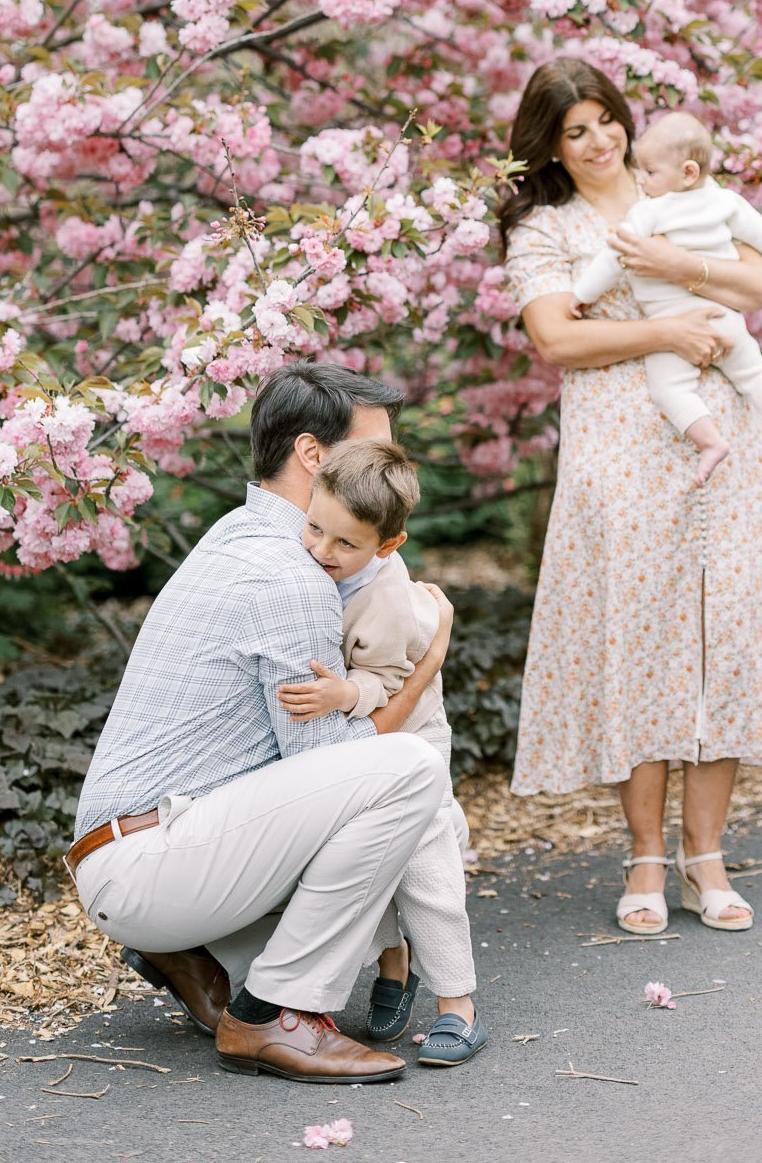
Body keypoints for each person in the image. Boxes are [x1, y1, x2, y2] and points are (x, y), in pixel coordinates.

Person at [500, 59, 762, 937]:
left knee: (719, 632)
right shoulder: (546, 226)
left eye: (605, 119)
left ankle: (707, 856)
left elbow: (758, 285)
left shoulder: (681, 189)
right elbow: (554, 338)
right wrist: (665, 327)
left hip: (719, 436)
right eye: (575, 130)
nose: (599, 140)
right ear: (551, 144)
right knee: (642, 636)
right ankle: (645, 858)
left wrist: (675, 266)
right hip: (618, 445)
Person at [69, 362, 454, 1085]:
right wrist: (426, 662)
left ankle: (209, 959)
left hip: (137, 845)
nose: (387, 467)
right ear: (314, 455)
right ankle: (277, 1013)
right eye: (374, 450)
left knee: (382, 783)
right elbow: (326, 762)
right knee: (411, 769)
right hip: (152, 862)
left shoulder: (238, 534)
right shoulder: (293, 577)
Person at [278, 438, 488, 1068]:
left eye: (347, 544)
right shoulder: (307, 556)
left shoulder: (390, 598)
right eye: (315, 529)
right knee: (363, 859)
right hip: (360, 740)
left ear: (388, 546)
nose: (323, 551)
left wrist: (347, 691)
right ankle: (393, 967)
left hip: (412, 738)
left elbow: (393, 682)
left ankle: (460, 1006)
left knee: (425, 869)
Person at [572, 110, 762, 485]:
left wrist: (582, 294)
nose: (641, 179)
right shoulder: (727, 201)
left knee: (670, 388)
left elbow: (612, 259)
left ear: (687, 172)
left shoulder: (646, 212)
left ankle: (709, 442)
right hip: (724, 318)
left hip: (673, 322)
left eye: (651, 172)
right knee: (754, 369)